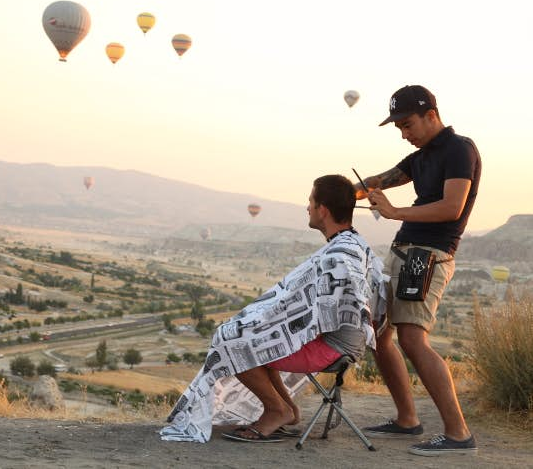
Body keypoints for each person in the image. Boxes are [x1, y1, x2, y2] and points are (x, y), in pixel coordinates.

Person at [160, 175, 383, 443]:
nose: (308, 207)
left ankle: (276, 409)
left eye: (311, 201)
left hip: (332, 346)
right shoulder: (351, 243)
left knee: (233, 343)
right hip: (332, 339)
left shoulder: (340, 255)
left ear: (323, 210)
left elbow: (325, 310)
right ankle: (287, 410)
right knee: (250, 335)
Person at [357, 85, 481, 456]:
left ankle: (458, 435)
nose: (404, 134)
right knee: (381, 335)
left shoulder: (460, 149)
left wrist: (394, 212)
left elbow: (451, 208)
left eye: (408, 125)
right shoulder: (421, 155)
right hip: (404, 249)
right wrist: (345, 191)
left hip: (427, 254)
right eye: (398, 128)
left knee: (412, 339)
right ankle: (407, 420)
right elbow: (383, 179)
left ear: (431, 115)